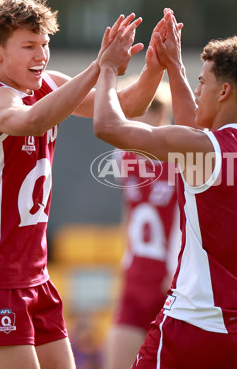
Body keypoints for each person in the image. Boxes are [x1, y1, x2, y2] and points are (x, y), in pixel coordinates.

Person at [0, 0, 166, 369]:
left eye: (45, 44)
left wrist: (156, 66)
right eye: (29, 46)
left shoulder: (47, 84)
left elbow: (129, 106)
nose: (42, 55)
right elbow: (33, 120)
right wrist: (101, 66)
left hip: (35, 276)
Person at [92, 9, 237, 369]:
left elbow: (108, 124)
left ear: (225, 91)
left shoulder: (206, 149)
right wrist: (174, 66)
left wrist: (107, 68)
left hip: (195, 323)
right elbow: (197, 131)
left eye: (203, 83)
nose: (197, 90)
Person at [102, 80, 182, 369]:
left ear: (159, 116)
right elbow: (130, 213)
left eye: (137, 112)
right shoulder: (122, 156)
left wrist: (178, 270)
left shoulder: (181, 160)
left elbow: (189, 221)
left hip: (170, 281)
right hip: (137, 276)